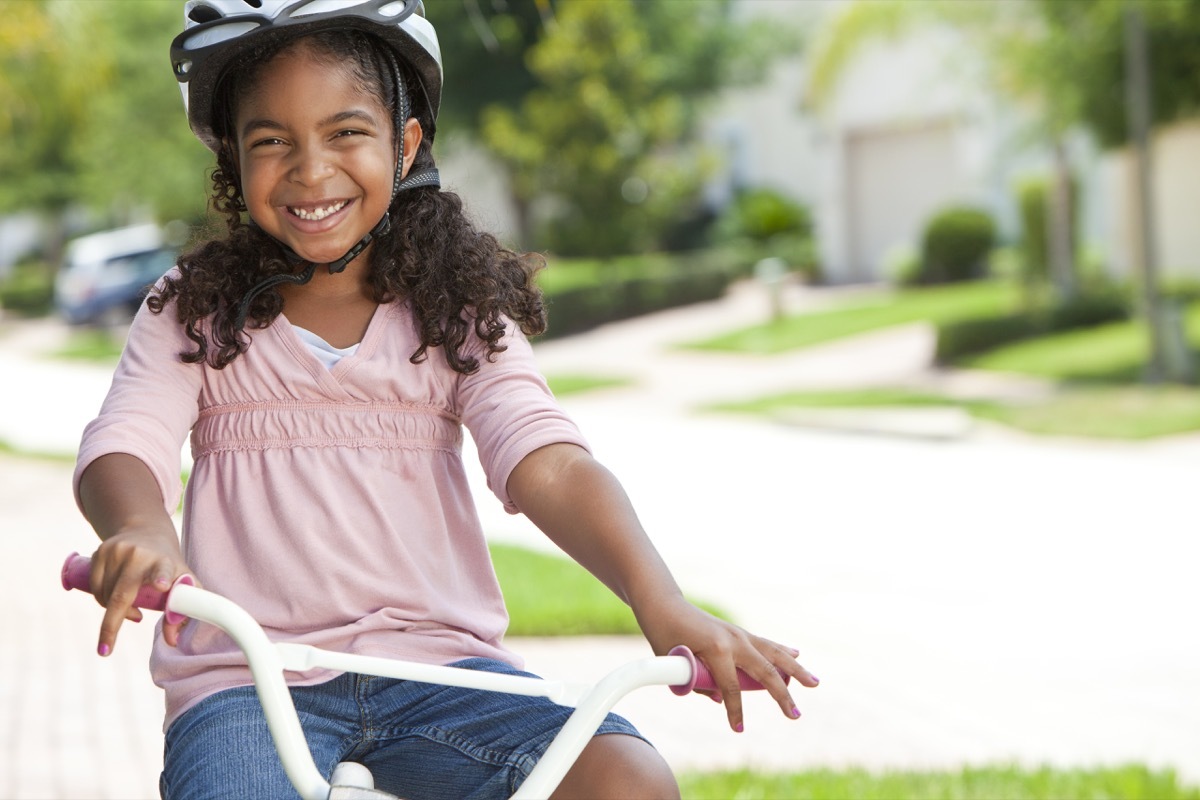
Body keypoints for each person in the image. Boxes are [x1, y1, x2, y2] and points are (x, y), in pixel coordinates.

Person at [74, 1, 818, 798]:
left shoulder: (454, 308)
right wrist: (143, 526)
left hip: (444, 674)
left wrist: (660, 601)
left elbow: (550, 464)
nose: (310, 169)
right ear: (233, 160)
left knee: (624, 778)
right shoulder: (193, 307)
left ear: (405, 143)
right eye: (271, 141)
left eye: (346, 132)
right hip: (250, 680)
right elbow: (125, 442)